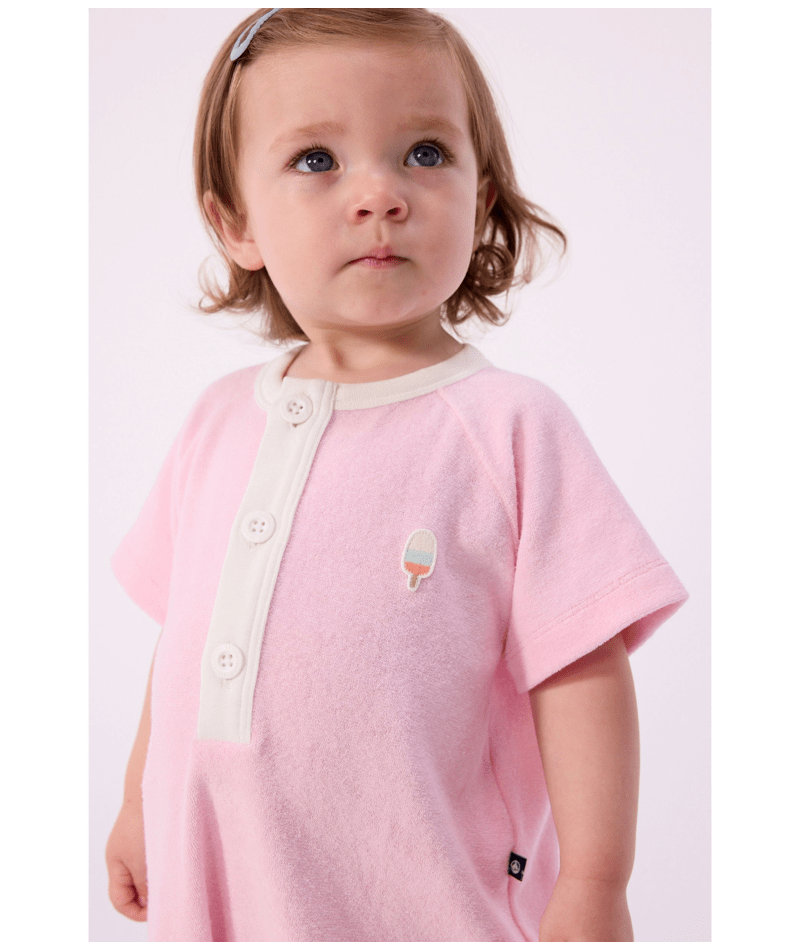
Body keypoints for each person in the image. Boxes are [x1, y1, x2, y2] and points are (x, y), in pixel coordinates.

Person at [105, 7, 688, 942]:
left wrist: (595, 881)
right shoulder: (217, 419)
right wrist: (140, 799)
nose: (379, 195)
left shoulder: (508, 428)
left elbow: (581, 665)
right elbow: (185, 639)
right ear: (236, 222)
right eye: (317, 160)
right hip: (219, 887)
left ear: (482, 200)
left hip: (421, 900)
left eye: (424, 153)